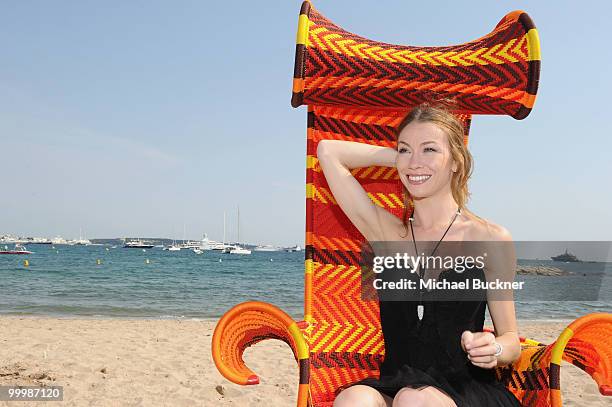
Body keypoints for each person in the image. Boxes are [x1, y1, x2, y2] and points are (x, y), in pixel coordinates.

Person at [317, 103, 521, 407]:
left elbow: (512, 342)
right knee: (354, 399)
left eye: (429, 149)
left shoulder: (490, 238)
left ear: (456, 161)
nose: (414, 161)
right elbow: (328, 151)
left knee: (414, 400)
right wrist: (407, 162)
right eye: (404, 149)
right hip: (397, 381)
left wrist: (493, 348)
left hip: (466, 390)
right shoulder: (387, 233)